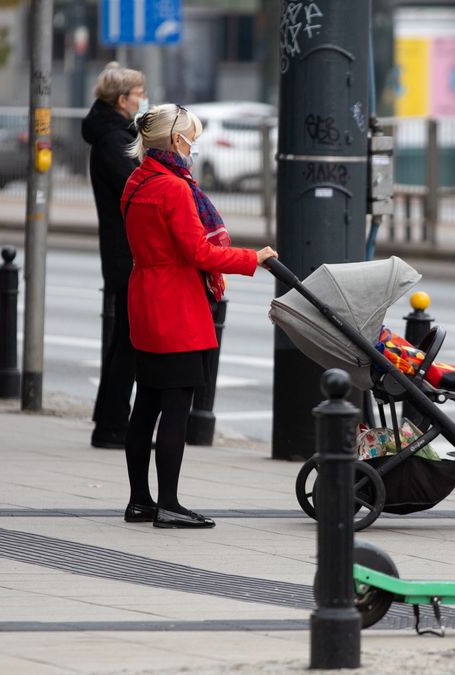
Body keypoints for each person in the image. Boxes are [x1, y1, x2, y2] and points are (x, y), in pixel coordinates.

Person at [120, 104, 277, 528]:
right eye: (191, 136)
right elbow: (199, 251)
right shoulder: (174, 189)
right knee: (176, 407)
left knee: (146, 404)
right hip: (177, 305)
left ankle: (140, 500)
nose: (194, 145)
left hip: (146, 297)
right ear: (175, 141)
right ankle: (169, 503)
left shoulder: (138, 180)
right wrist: (252, 258)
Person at [82, 62, 148, 449]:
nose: (142, 99)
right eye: (139, 94)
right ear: (122, 100)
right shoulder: (113, 139)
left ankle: (108, 419)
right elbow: (136, 190)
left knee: (124, 339)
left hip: (123, 250)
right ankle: (111, 426)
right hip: (127, 253)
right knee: (129, 341)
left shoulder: (114, 133)